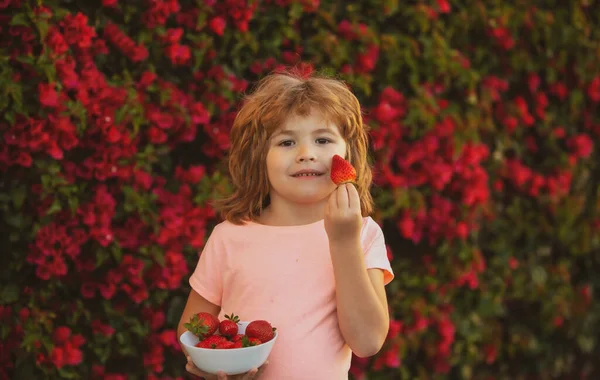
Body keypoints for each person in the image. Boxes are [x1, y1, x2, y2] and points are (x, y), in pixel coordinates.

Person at [177, 70, 395, 380]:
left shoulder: (362, 235)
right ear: (259, 157)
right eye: (287, 142)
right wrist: (211, 365)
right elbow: (192, 328)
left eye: (322, 139)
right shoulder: (229, 237)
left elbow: (368, 341)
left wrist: (343, 242)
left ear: (348, 153)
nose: (306, 154)